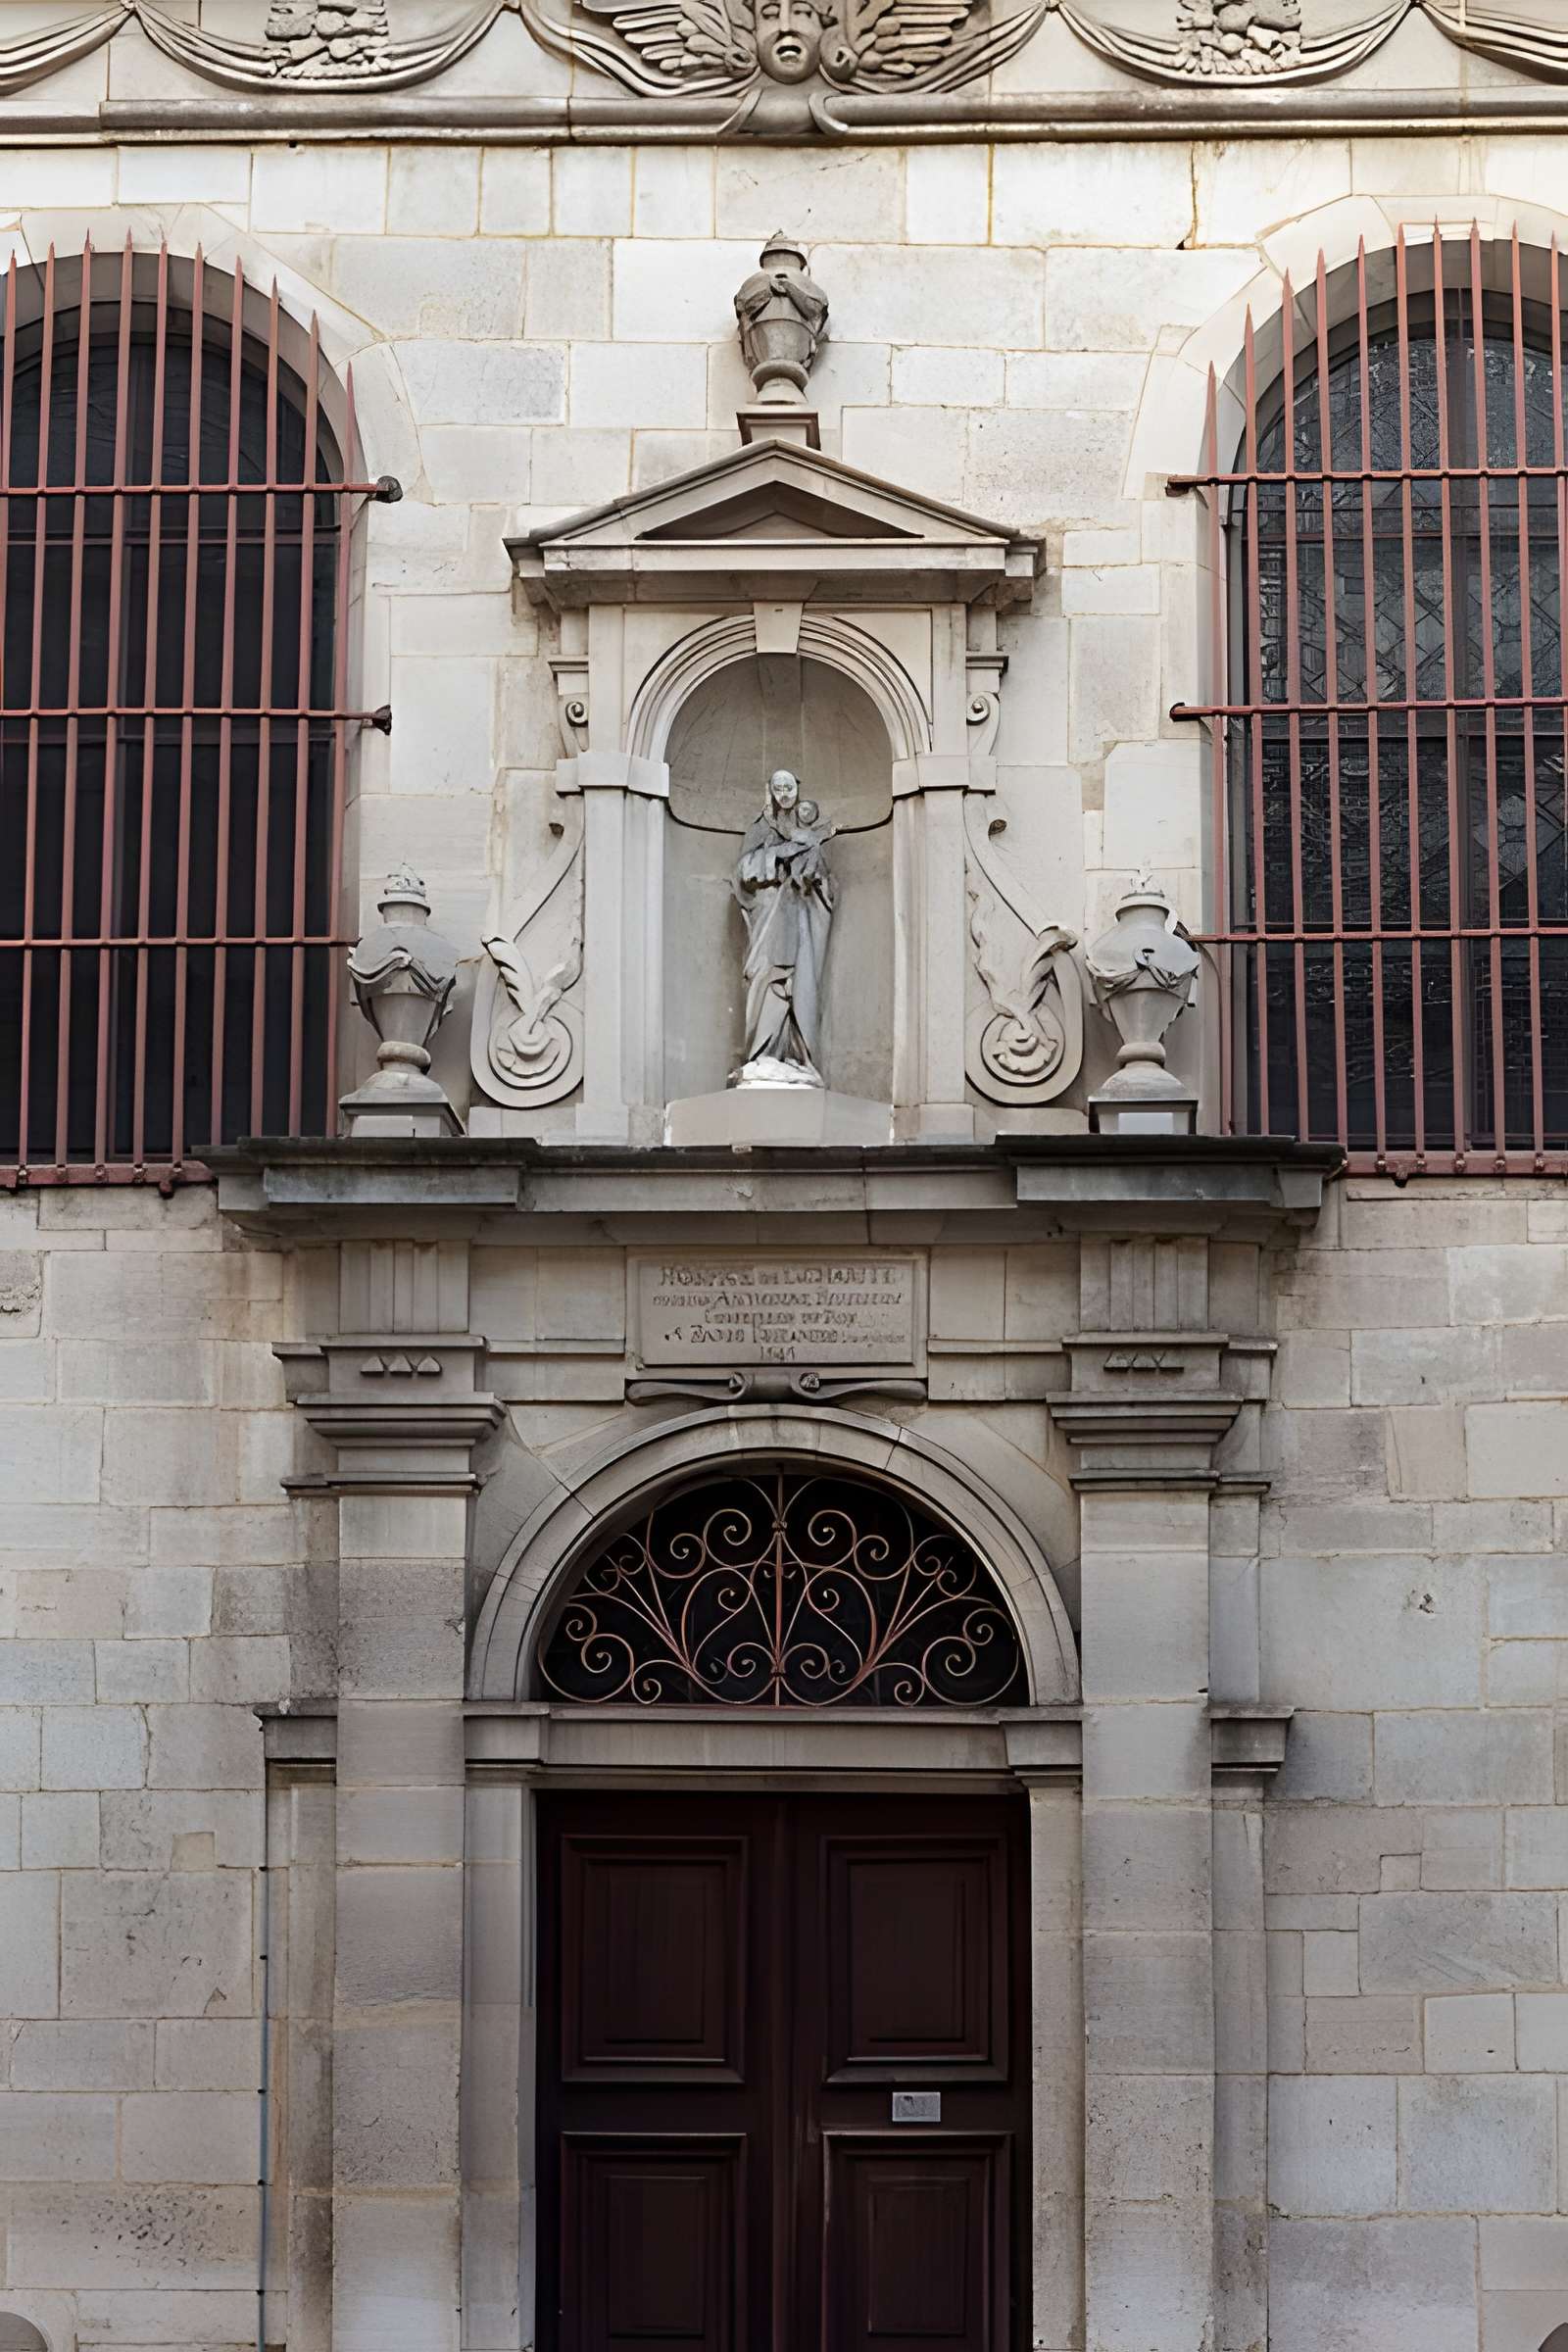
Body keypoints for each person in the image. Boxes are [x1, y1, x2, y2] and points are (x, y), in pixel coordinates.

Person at [732, 768, 836, 1085]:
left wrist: (811, 873)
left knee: (798, 983)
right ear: (770, 792)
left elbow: (825, 884)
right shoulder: (761, 829)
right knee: (766, 977)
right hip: (768, 916)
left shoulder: (809, 834)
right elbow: (744, 872)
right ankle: (762, 1055)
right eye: (778, 788)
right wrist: (781, 855)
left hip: (800, 918)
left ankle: (796, 1056)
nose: (784, 794)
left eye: (789, 787)